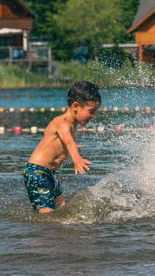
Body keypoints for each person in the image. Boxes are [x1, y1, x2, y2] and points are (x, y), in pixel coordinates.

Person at [23, 81, 101, 213]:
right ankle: (42, 232)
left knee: (62, 209)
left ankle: (59, 233)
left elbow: (66, 144)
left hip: (48, 173)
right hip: (37, 172)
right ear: (75, 106)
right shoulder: (62, 122)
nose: (94, 116)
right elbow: (69, 142)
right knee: (47, 213)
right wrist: (77, 159)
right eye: (91, 111)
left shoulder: (72, 124)